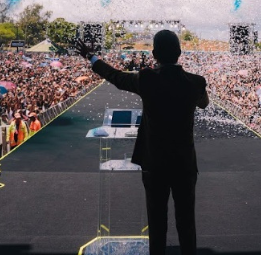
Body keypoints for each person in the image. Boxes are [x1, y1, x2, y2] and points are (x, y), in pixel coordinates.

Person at [75, 30, 209, 255]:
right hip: (184, 164)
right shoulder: (195, 82)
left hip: (154, 163)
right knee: (187, 223)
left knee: (157, 225)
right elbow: (204, 104)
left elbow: (116, 77)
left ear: (155, 54)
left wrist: (92, 58)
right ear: (179, 53)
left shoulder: (147, 79)